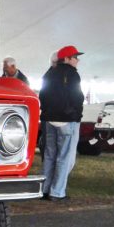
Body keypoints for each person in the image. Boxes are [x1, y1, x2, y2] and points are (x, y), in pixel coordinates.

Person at [38, 45, 85, 201]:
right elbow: (77, 97)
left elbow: (42, 95)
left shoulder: (49, 73)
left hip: (48, 120)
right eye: (75, 57)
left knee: (49, 155)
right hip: (67, 120)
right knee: (64, 156)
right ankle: (57, 192)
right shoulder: (72, 74)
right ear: (67, 59)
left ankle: (44, 190)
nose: (77, 60)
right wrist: (76, 114)